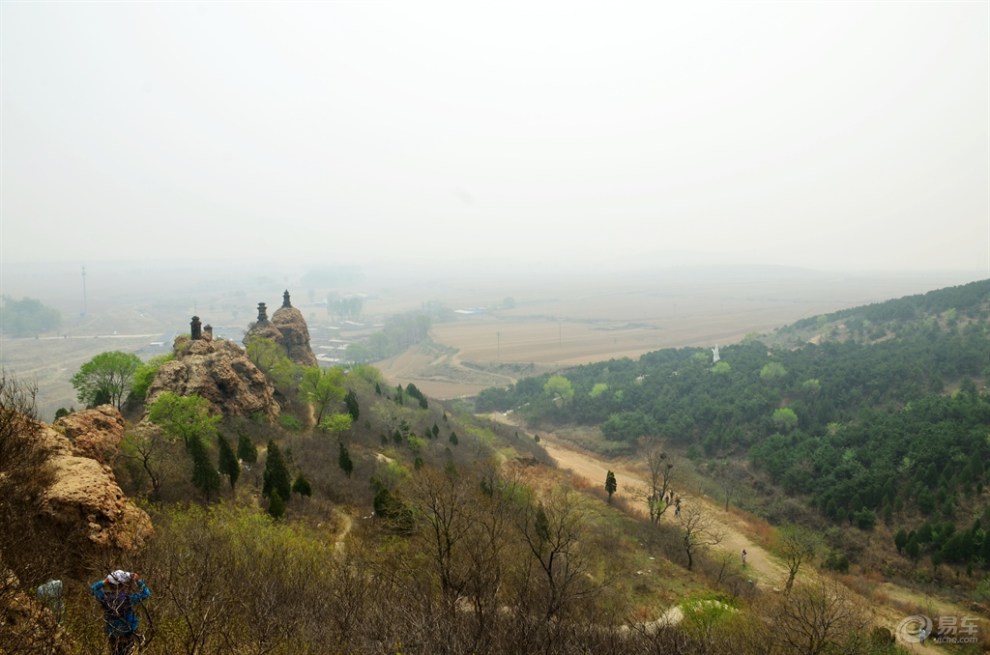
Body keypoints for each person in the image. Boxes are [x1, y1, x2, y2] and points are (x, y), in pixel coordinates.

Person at [90, 570, 151, 655]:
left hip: (112, 634)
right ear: (123, 586)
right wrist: (138, 581)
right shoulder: (128, 599)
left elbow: (93, 589)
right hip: (128, 633)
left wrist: (106, 581)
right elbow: (146, 593)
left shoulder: (105, 598)